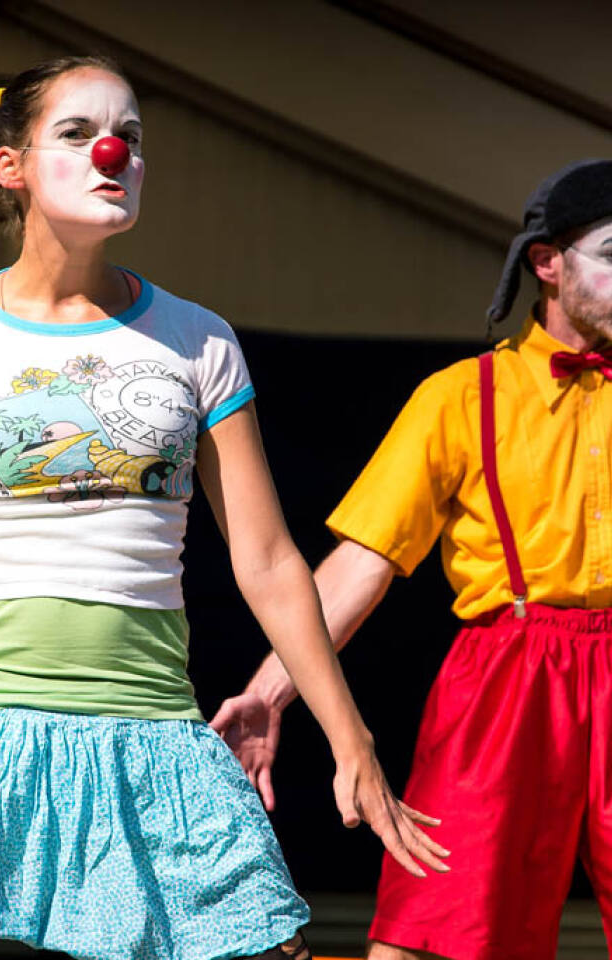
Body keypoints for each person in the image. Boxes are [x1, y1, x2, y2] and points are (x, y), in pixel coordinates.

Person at [0, 56, 445, 960]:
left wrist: (349, 735)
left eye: (129, 136)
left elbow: (267, 560)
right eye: (78, 132)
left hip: (152, 741)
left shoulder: (199, 342)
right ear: (11, 165)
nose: (111, 152)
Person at [211, 158, 612, 960]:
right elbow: (362, 565)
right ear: (547, 263)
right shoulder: (463, 397)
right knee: (439, 923)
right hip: (510, 674)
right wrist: (269, 692)